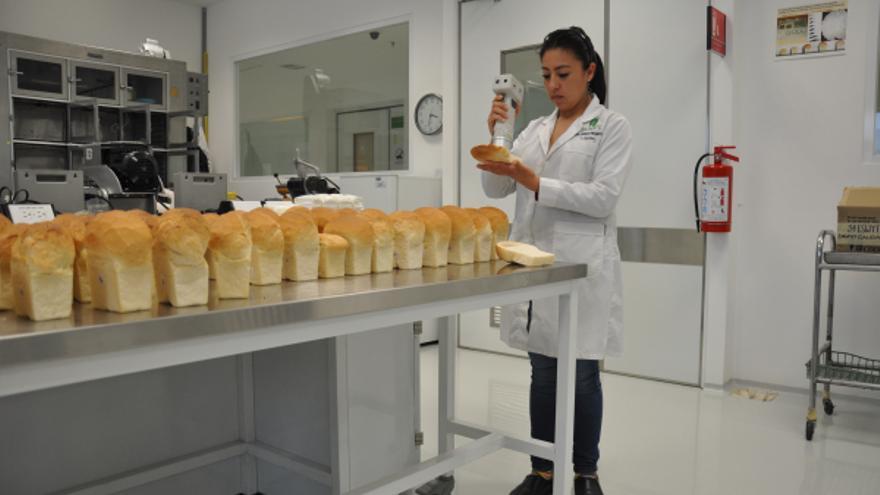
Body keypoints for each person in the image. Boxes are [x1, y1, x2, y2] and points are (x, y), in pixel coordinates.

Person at [479, 26, 632, 495]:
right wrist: (498, 139)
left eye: (563, 73)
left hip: (581, 267)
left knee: (582, 373)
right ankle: (543, 471)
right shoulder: (534, 129)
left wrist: (534, 180)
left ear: (589, 72)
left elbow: (603, 198)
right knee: (542, 372)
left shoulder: (612, 127)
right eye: (546, 75)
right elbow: (496, 188)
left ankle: (585, 474)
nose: (553, 85)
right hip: (536, 268)